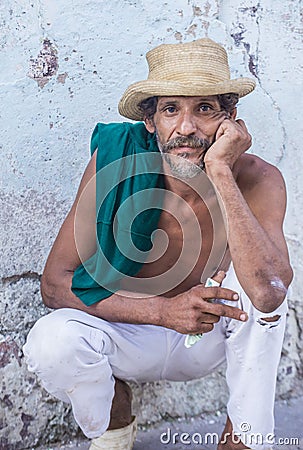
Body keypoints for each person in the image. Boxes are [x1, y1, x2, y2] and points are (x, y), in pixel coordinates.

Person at [23, 38, 293, 450]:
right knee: (52, 341)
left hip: (211, 337)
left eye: (204, 109)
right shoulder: (117, 157)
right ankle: (114, 427)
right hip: (132, 329)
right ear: (150, 121)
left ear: (230, 119)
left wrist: (220, 170)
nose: (186, 128)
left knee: (269, 297)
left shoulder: (259, 178)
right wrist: (162, 310)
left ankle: (243, 441)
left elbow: (269, 294)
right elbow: (55, 284)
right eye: (171, 109)